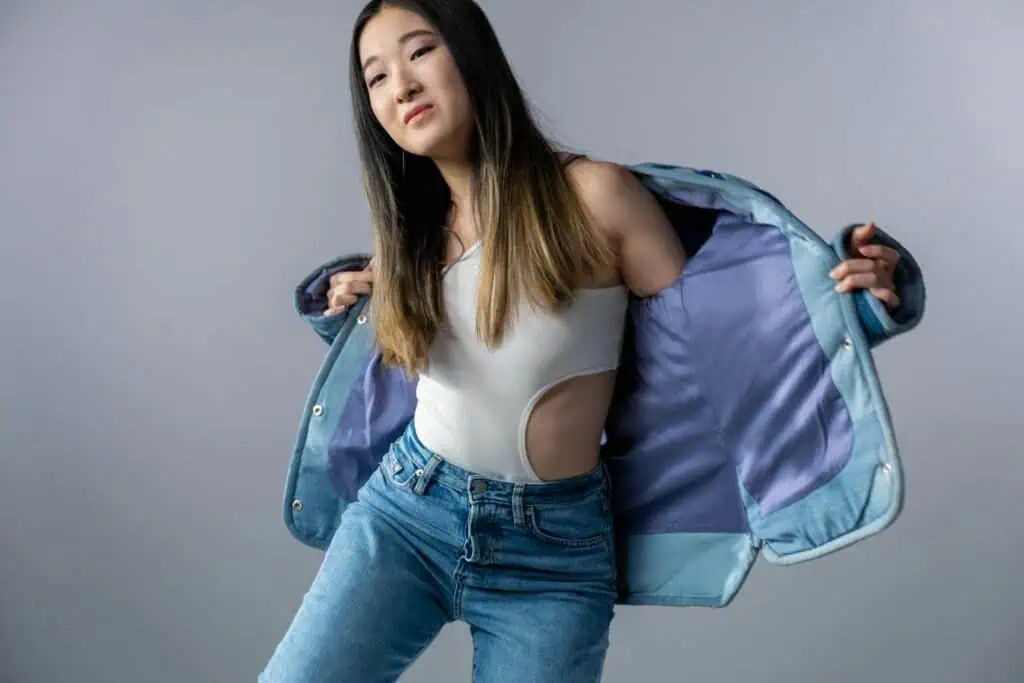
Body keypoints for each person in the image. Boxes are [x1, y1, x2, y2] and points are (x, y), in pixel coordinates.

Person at [260, 1, 908, 681]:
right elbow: (407, 364)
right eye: (377, 77)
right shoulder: (410, 240)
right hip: (407, 514)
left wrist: (854, 303)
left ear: (471, 53)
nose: (403, 85)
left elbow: (727, 329)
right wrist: (351, 310)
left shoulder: (594, 198)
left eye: (420, 51)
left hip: (553, 554)